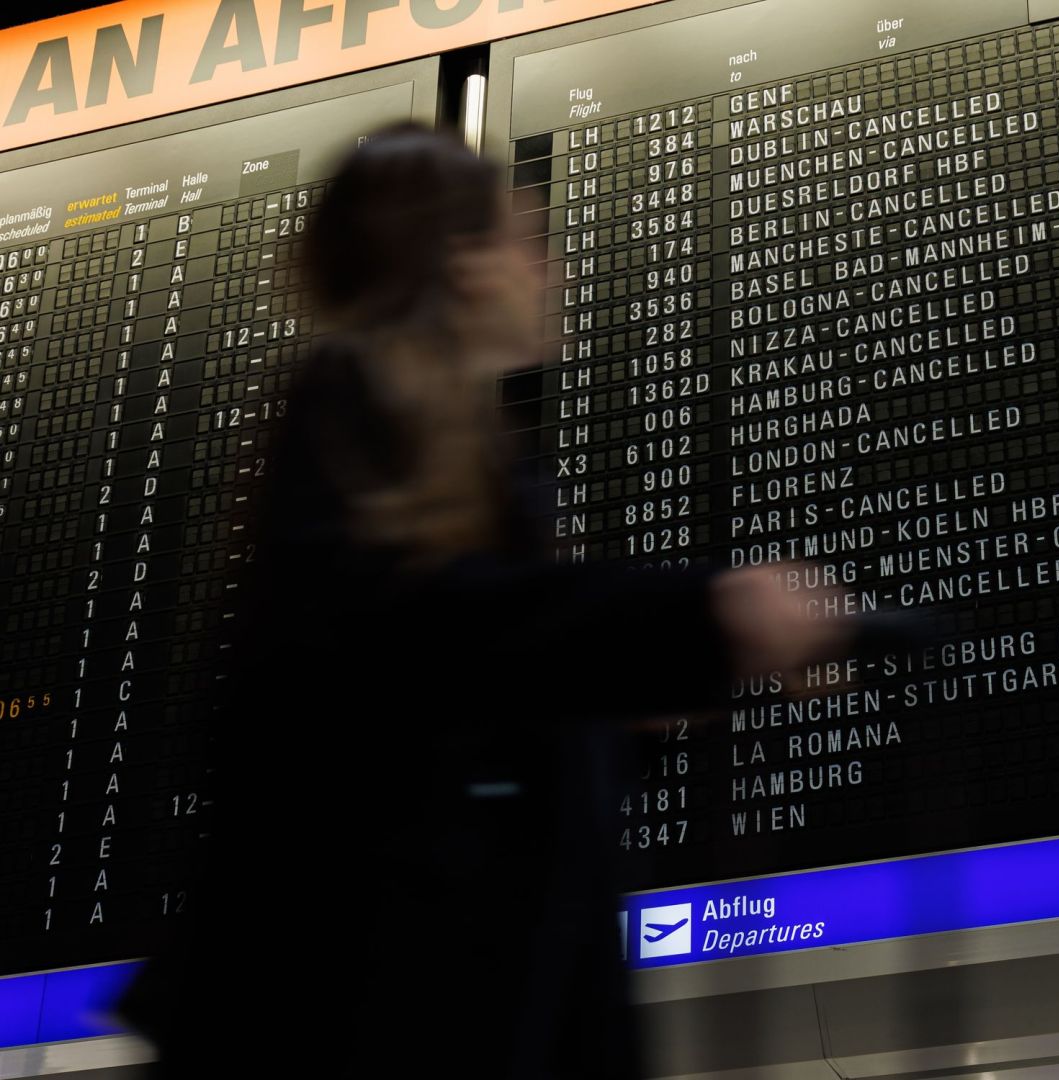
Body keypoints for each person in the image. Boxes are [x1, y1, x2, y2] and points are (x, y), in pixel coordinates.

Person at [116, 124, 857, 1078]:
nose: (545, 270)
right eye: (524, 240)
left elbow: (471, 730)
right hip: (352, 1019)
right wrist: (691, 618)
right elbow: (427, 636)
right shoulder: (345, 407)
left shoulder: (480, 474)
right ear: (458, 262)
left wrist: (626, 723)